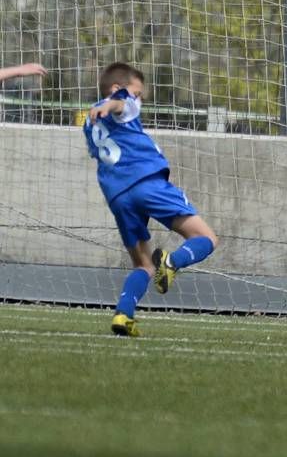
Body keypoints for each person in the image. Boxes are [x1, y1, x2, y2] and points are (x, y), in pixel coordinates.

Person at [83, 62, 218, 337]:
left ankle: (123, 315)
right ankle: (174, 262)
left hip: (118, 197)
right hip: (147, 183)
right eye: (138, 92)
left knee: (143, 265)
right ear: (118, 88)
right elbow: (119, 104)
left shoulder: (89, 122)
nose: (140, 98)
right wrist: (111, 104)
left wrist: (103, 108)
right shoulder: (122, 103)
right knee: (206, 238)